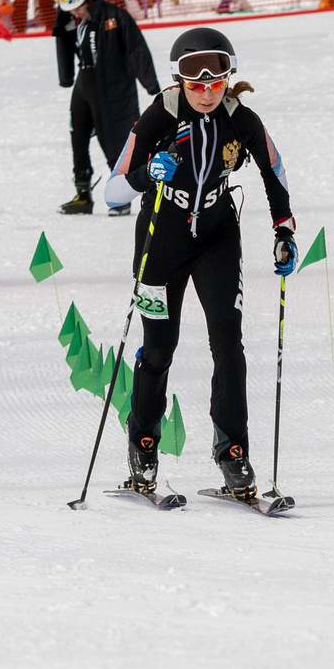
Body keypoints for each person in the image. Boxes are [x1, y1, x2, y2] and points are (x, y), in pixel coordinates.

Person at [113, 26, 295, 503]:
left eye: (216, 83)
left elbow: (273, 169)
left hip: (217, 236)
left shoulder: (241, 118)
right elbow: (112, 190)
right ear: (180, 82)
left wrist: (284, 229)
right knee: (159, 349)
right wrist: (145, 174)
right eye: (196, 85)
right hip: (161, 239)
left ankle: (233, 451)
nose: (207, 93)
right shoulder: (160, 114)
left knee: (228, 342)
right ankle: (143, 444)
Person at [53, 0, 159, 215]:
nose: (75, 13)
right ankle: (83, 196)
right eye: (71, 10)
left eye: (78, 8)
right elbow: (65, 44)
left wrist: (151, 86)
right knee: (78, 137)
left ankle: (121, 197)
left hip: (113, 86)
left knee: (113, 140)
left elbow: (137, 50)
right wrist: (66, 77)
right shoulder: (72, 20)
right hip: (85, 83)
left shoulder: (115, 16)